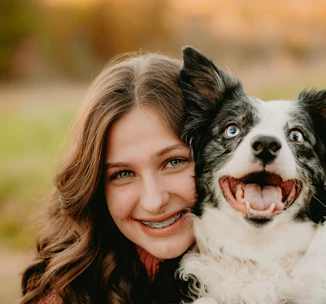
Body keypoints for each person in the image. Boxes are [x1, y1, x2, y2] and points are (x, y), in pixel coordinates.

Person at [20, 52, 197, 304]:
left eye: (174, 162)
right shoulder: (69, 294)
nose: (154, 201)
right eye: (123, 174)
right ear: (94, 187)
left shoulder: (270, 272)